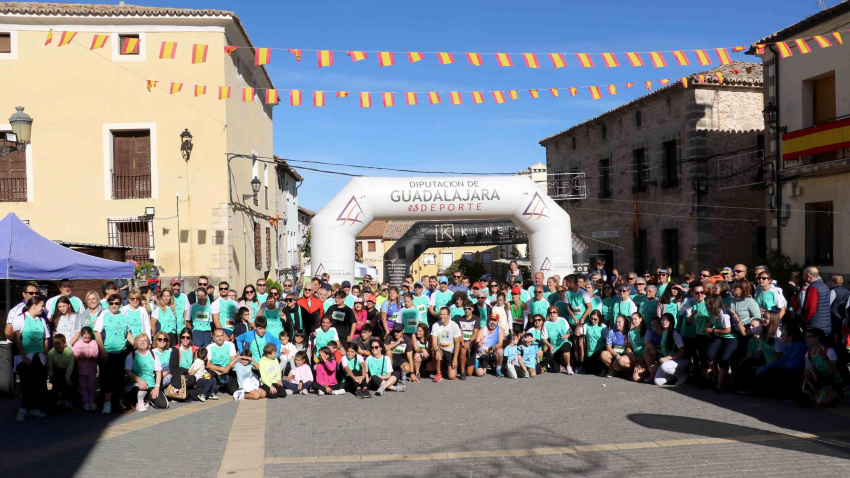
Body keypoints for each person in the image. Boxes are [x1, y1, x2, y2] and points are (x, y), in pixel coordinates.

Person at [12, 294, 50, 421]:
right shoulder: (20, 318)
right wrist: (24, 356)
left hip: (39, 356)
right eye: (42, 306)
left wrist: (45, 355)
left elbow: (45, 339)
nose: (43, 308)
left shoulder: (41, 320)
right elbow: (17, 339)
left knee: (39, 384)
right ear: (34, 305)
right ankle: (23, 410)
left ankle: (34, 409)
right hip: (26, 356)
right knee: (26, 385)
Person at [93, 294, 132, 414]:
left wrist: (137, 344)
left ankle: (118, 402)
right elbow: (97, 332)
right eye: (111, 303)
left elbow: (127, 333)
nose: (114, 305)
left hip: (120, 352)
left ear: (120, 304)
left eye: (116, 303)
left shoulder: (123, 315)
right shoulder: (104, 314)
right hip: (107, 353)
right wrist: (103, 350)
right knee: (107, 380)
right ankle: (107, 403)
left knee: (119, 379)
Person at [754, 323, 808, 400]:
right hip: (787, 368)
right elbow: (781, 361)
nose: (781, 336)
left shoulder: (799, 346)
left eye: (783, 334)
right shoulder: (788, 345)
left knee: (776, 373)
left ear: (790, 337)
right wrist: (764, 368)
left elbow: (793, 365)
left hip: (796, 373)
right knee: (764, 372)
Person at [125, 333, 167, 411]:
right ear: (136, 343)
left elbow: (158, 372)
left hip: (151, 385)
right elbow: (128, 371)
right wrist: (139, 380)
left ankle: (147, 399)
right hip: (136, 385)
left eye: (145, 340)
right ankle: (139, 403)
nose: (142, 342)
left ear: (148, 342)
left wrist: (157, 387)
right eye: (140, 340)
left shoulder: (153, 355)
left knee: (163, 404)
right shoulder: (132, 355)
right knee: (142, 387)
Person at [803, 328, 843, 407]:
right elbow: (809, 371)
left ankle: (842, 392)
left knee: (825, 403)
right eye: (806, 337)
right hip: (825, 381)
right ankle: (819, 392)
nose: (806, 339)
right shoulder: (809, 354)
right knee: (807, 373)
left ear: (817, 338)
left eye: (808, 337)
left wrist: (824, 357)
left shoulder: (829, 350)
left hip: (838, 382)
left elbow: (832, 371)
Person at [650, 313, 689, 385]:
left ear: (671, 322)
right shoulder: (664, 332)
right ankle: (674, 377)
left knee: (665, 367)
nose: (664, 321)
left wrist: (667, 358)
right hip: (669, 361)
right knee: (658, 381)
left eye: (667, 320)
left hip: (680, 360)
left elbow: (682, 351)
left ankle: (682, 375)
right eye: (663, 320)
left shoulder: (674, 333)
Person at [683, 284, 710, 383]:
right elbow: (689, 321)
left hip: (710, 333)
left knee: (709, 356)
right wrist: (693, 313)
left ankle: (711, 377)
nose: (700, 295)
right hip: (699, 333)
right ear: (693, 294)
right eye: (697, 293)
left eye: (702, 292)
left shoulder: (708, 302)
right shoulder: (690, 303)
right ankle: (702, 378)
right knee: (700, 356)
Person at [431, 307, 462, 381]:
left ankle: (445, 368)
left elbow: (457, 343)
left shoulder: (454, 325)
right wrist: (437, 351)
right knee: (434, 351)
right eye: (440, 314)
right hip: (440, 348)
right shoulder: (435, 325)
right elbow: (434, 343)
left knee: (452, 377)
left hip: (450, 350)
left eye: (444, 314)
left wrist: (455, 359)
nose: (442, 316)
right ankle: (438, 373)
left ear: (448, 315)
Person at [73, 326, 100, 411]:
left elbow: (96, 353)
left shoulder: (94, 343)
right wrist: (78, 357)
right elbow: (74, 354)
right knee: (84, 387)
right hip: (81, 369)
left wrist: (93, 357)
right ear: (81, 335)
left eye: (89, 338)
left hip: (91, 369)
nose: (87, 340)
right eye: (85, 338)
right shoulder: (78, 344)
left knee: (91, 386)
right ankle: (86, 402)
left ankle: (92, 402)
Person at [206, 328, 239, 396]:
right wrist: (221, 369)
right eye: (217, 336)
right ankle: (215, 385)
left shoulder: (230, 345)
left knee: (234, 391)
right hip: (215, 369)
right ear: (214, 337)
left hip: (228, 368)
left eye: (221, 336)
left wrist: (226, 368)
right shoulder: (209, 347)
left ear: (224, 336)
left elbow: (233, 361)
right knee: (208, 375)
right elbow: (207, 364)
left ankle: (224, 386)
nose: (220, 338)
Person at [47, 333, 75, 411]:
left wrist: (67, 377)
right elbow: (50, 366)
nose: (56, 346)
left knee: (69, 384)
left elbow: (70, 366)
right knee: (55, 387)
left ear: (64, 344)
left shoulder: (69, 352)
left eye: (59, 343)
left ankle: (69, 401)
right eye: (55, 344)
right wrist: (51, 376)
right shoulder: (51, 353)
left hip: (67, 370)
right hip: (56, 371)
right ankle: (53, 405)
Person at [542, 306, 573, 374]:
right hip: (554, 347)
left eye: (554, 312)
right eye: (550, 313)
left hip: (563, 342)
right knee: (556, 370)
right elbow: (544, 338)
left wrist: (567, 335)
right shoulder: (546, 323)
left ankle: (568, 366)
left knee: (566, 347)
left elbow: (570, 332)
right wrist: (549, 346)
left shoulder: (563, 320)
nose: (552, 314)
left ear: (557, 313)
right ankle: (557, 362)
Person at [618, 313, 648, 382]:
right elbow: (629, 347)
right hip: (635, 357)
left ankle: (645, 372)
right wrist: (631, 355)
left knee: (635, 378)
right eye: (632, 319)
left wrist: (640, 361)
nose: (633, 321)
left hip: (644, 358)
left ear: (640, 319)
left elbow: (647, 349)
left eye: (635, 319)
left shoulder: (646, 332)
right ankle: (634, 369)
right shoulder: (630, 332)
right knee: (621, 361)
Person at [455, 299, 480, 380]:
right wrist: (463, 343)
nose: (467, 310)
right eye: (465, 308)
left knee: (469, 373)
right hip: (463, 342)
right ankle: (462, 371)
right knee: (463, 350)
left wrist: (469, 342)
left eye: (468, 308)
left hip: (471, 342)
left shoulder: (476, 319)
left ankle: (466, 366)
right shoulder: (459, 319)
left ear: (472, 309)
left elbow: (475, 333)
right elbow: (459, 333)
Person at [582, 310, 608, 376]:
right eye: (592, 319)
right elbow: (577, 333)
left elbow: (607, 340)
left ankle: (604, 369)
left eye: (595, 319)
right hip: (590, 352)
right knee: (591, 372)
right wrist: (580, 324)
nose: (593, 321)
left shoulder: (603, 327)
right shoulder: (587, 325)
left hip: (599, 350)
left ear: (599, 319)